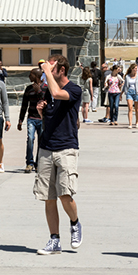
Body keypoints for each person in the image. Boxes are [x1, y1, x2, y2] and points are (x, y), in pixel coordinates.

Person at [34, 55, 83, 255]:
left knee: (65, 194)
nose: (48, 71)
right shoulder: (48, 93)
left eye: (52, 68)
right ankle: (54, 240)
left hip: (66, 148)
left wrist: (46, 71)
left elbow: (57, 91)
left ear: (61, 70)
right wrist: (41, 112)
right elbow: (50, 116)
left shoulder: (74, 90)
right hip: (46, 147)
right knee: (48, 197)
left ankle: (75, 223)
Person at [18, 68, 45, 173]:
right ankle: (29, 163)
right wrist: (20, 120)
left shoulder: (45, 88)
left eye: (31, 75)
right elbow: (24, 105)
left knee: (41, 141)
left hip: (42, 119)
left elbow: (44, 102)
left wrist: (39, 92)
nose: (29, 77)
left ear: (36, 76)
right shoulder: (29, 88)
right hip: (31, 119)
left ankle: (38, 163)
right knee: (30, 139)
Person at [124, 63, 138, 129]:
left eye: (136, 68)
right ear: (132, 69)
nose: (136, 70)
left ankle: (136, 121)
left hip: (137, 92)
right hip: (129, 92)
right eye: (135, 68)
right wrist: (122, 93)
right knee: (130, 108)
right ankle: (130, 123)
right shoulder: (127, 76)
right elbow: (125, 85)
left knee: (137, 109)